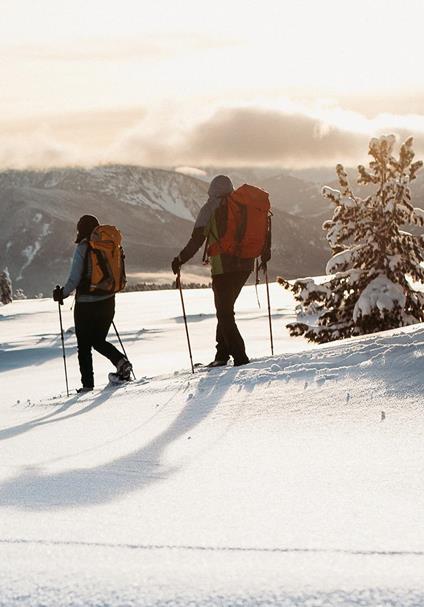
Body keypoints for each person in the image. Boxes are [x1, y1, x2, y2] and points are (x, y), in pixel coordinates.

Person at [172, 175, 270, 367]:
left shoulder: (211, 207)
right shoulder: (244, 206)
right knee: (225, 310)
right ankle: (221, 355)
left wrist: (180, 259)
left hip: (223, 268)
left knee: (224, 313)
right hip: (245, 265)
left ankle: (240, 356)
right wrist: (264, 257)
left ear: (212, 190)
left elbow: (196, 240)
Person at [53, 214, 132, 392]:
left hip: (86, 305)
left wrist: (62, 294)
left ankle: (87, 385)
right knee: (98, 340)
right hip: (108, 301)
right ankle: (121, 362)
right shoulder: (111, 245)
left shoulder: (83, 247)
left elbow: (74, 280)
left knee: (84, 346)